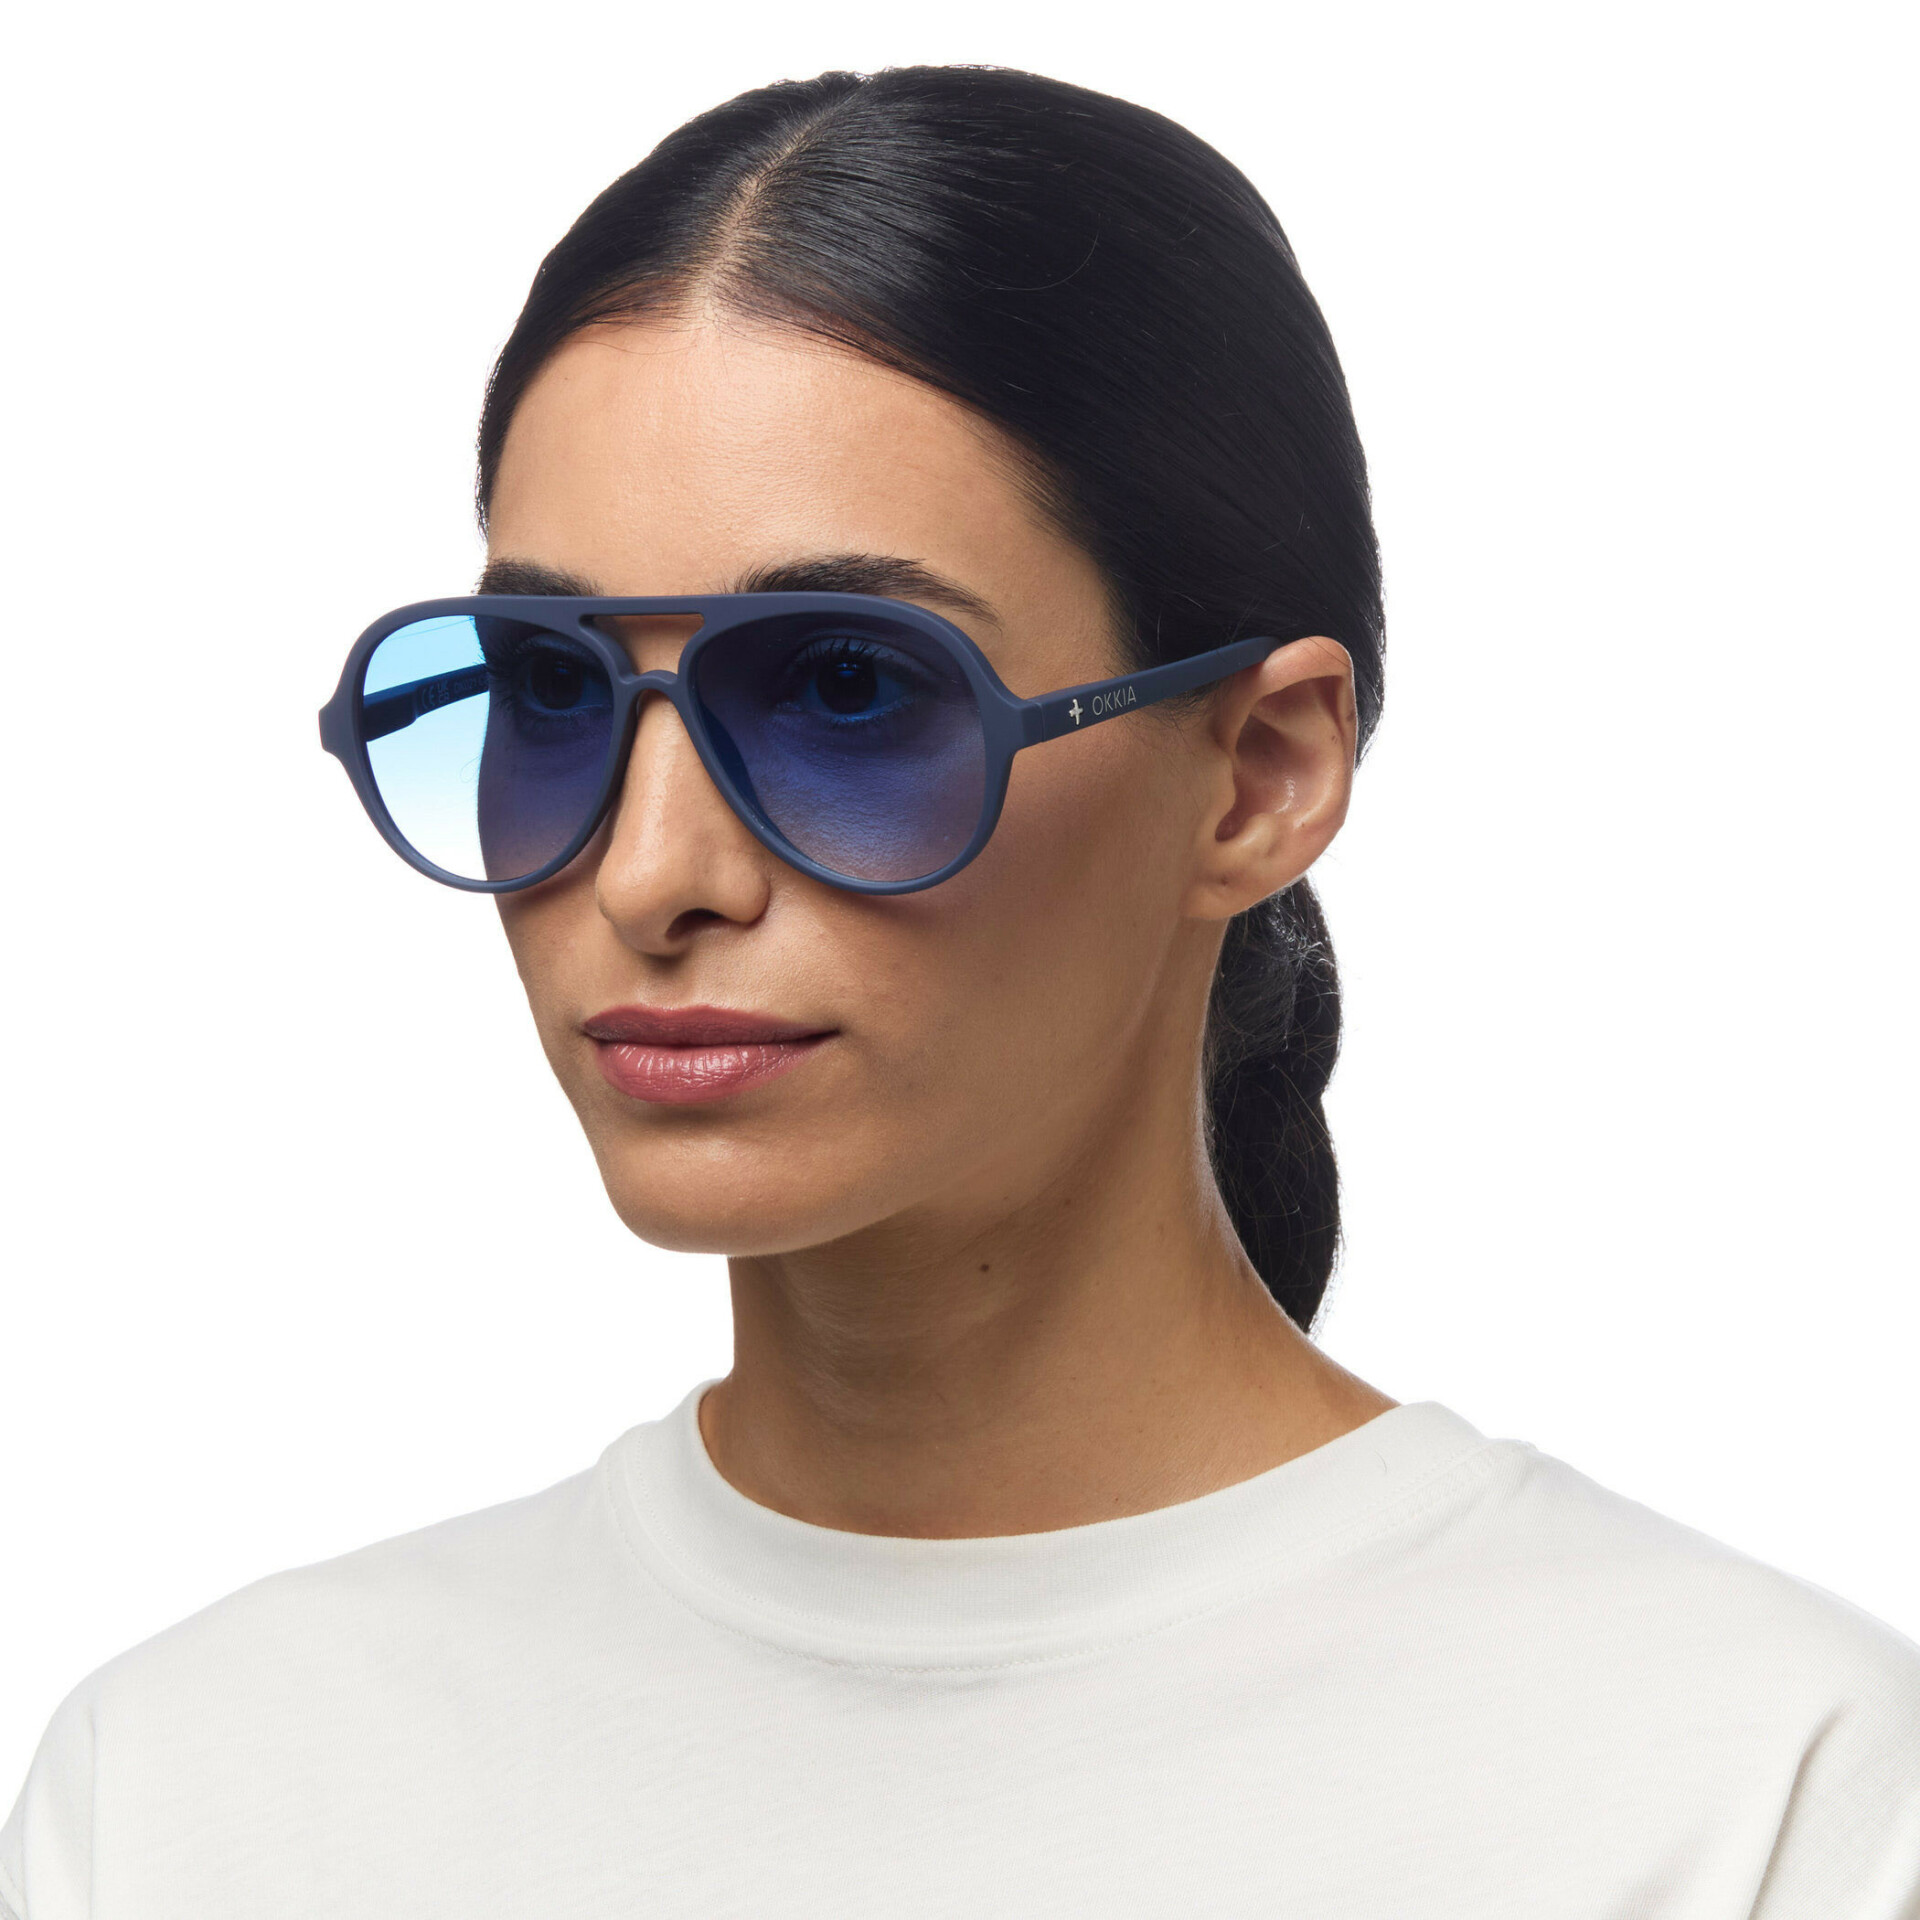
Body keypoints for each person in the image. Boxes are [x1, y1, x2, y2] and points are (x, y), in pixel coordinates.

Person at [4, 62, 1915, 1920]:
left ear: (1259, 776)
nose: (652, 874)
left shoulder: (1759, 1796)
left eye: (849, 688)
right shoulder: (200, 1789)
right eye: (554, 688)